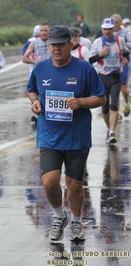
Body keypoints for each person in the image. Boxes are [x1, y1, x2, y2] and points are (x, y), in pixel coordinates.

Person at [26, 25, 106, 242]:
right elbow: (31, 89)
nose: (56, 48)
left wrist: (80, 102)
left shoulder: (84, 69)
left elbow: (100, 98)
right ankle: (58, 216)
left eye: (61, 44)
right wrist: (34, 101)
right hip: (49, 136)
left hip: (76, 137)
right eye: (53, 44)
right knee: (50, 182)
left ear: (71, 44)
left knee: (74, 184)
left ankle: (77, 222)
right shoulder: (41, 68)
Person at [89, 18, 129, 144]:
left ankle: (112, 132)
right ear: (102, 29)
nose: (107, 32)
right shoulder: (98, 42)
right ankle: (109, 129)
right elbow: (90, 60)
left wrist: (126, 59)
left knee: (114, 105)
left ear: (113, 29)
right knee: (105, 109)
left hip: (116, 76)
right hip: (102, 77)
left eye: (110, 29)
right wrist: (100, 54)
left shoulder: (120, 40)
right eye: (105, 29)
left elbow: (126, 52)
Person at [111, 14, 131, 118]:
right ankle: (117, 113)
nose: (114, 25)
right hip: (112, 63)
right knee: (115, 89)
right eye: (112, 22)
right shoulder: (108, 32)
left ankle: (127, 103)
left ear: (121, 23)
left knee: (123, 89)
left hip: (124, 62)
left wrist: (123, 47)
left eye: (117, 22)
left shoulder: (126, 33)